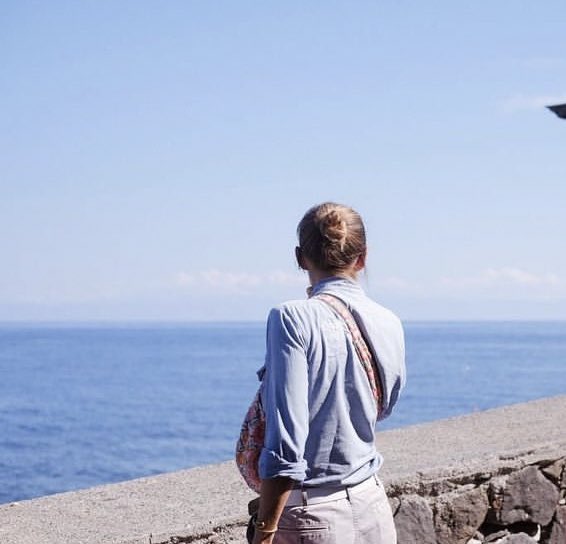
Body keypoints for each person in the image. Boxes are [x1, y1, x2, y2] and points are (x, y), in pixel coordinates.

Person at [252, 202, 406, 544]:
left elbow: (286, 445)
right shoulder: (389, 321)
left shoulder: (291, 318)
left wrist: (264, 532)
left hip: (313, 513)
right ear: (363, 257)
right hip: (372, 503)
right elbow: (383, 407)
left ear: (300, 257)